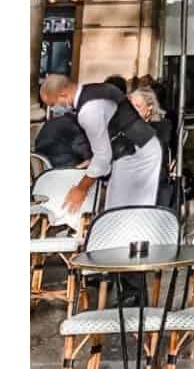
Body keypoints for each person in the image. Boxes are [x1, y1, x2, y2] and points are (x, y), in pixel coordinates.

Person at [42, 72, 165, 302]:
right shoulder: (94, 91)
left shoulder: (88, 111)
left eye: (52, 104)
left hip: (137, 157)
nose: (54, 109)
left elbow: (102, 157)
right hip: (136, 151)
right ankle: (123, 283)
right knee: (121, 218)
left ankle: (132, 290)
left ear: (62, 94)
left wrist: (81, 187)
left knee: (124, 219)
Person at [33, 99, 90, 169]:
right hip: (64, 166)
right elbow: (82, 148)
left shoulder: (51, 123)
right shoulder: (73, 124)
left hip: (45, 167)